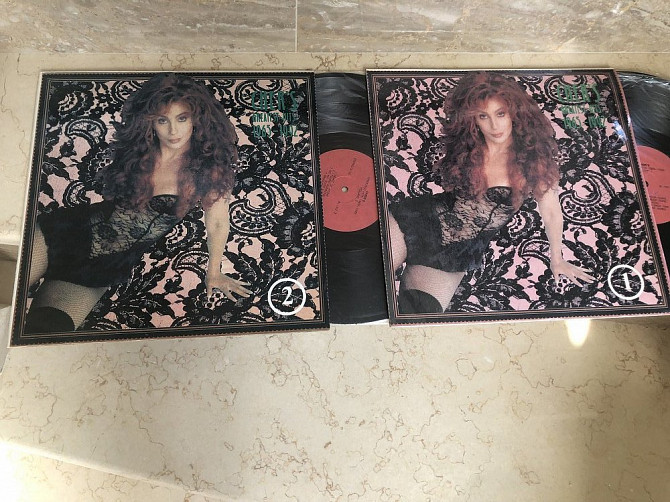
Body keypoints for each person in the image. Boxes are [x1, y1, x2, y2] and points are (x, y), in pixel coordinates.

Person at [25, 73, 250, 333]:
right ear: (150, 121)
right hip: (64, 234)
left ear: (196, 119)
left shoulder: (209, 168)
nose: (173, 130)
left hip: (102, 268)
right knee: (5, 290)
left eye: (182, 118)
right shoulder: (139, 152)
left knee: (47, 330)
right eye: (162, 120)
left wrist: (214, 272)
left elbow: (218, 221)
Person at [388, 72, 594, 314]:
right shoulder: (469, 146)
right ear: (473, 119)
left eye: (500, 114)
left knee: (420, 314)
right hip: (418, 220)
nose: (494, 126)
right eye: (483, 116)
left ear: (514, 113)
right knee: (370, 276)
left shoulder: (532, 160)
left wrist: (556, 259)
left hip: (456, 253)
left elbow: (551, 212)